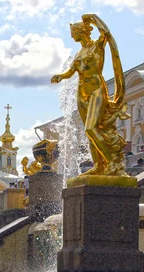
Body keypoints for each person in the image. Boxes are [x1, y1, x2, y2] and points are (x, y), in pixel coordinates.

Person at [51, 14, 129, 176]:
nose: (72, 35)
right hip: (82, 93)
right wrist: (60, 76)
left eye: (74, 32)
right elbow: (72, 71)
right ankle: (98, 166)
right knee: (90, 132)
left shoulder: (98, 45)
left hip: (96, 91)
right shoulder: (79, 53)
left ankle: (113, 164)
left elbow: (106, 33)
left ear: (82, 31)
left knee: (91, 128)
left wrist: (93, 18)